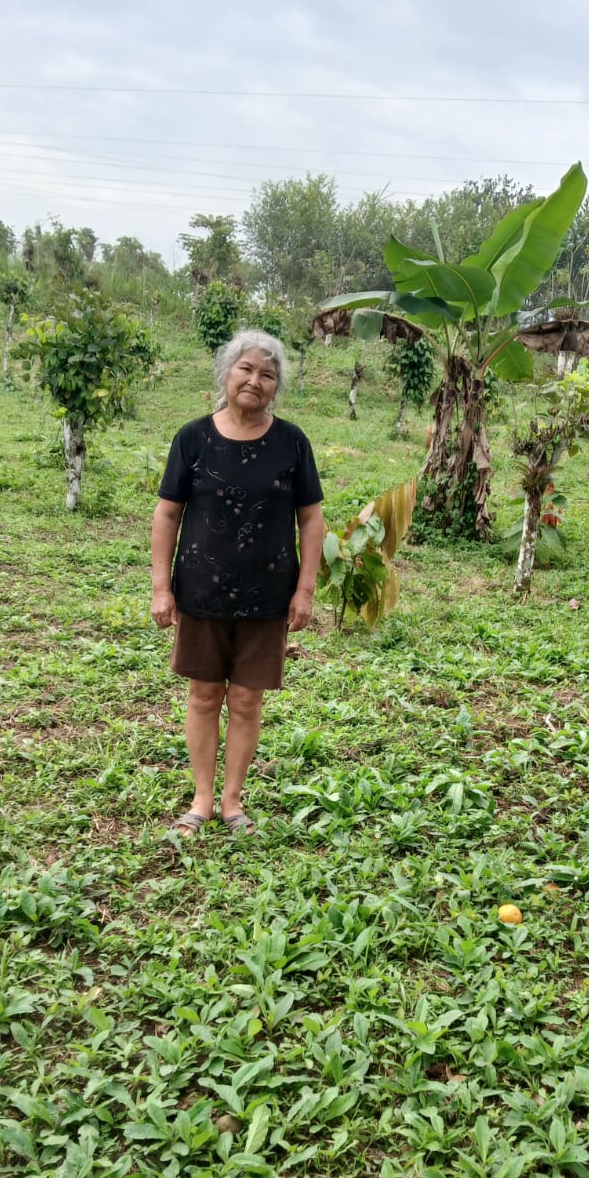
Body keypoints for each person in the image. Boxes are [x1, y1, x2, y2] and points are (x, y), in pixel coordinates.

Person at [150, 329, 325, 835]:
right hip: (200, 592)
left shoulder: (292, 443)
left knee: (247, 701)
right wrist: (161, 588)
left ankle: (232, 803)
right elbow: (167, 514)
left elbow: (311, 520)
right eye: (245, 368)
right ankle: (201, 800)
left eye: (267, 374)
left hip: (268, 596)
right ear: (226, 374)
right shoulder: (193, 438)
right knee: (204, 696)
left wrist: (305, 591)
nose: (255, 380)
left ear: (277, 386)